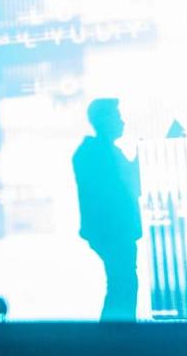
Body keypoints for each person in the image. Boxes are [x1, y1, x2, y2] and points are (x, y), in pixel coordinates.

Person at [71, 98, 142, 321]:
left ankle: (116, 339)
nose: (122, 122)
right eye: (117, 116)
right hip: (113, 231)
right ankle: (116, 340)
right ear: (103, 120)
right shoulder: (95, 153)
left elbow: (129, 183)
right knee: (123, 285)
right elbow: (126, 185)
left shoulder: (99, 151)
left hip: (114, 231)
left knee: (122, 284)